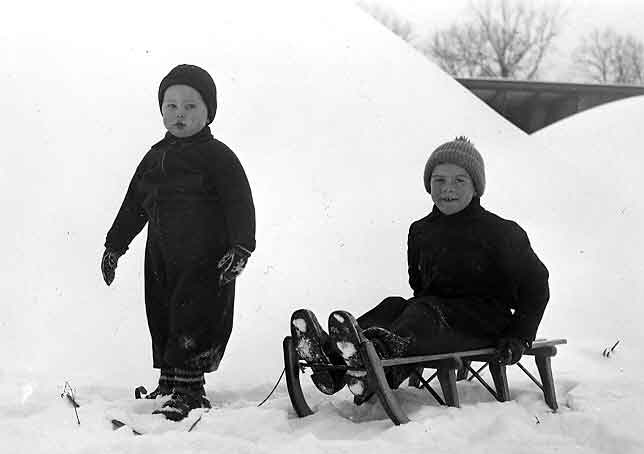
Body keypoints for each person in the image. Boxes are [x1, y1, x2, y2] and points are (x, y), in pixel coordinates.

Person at [290, 136, 549, 404]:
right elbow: (419, 285)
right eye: (439, 180)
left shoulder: (501, 232)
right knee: (394, 305)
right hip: (436, 320)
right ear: (429, 185)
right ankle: (331, 361)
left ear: (476, 186)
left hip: (486, 324)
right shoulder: (421, 231)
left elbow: (536, 284)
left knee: (423, 311)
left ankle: (375, 362)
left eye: (460, 180)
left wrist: (519, 337)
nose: (448, 188)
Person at [102, 64, 256, 421]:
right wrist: (114, 247)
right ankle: (170, 381)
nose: (179, 114)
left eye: (190, 106)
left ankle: (190, 388)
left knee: (195, 314)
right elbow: (133, 206)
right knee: (162, 312)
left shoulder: (218, 156)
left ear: (208, 111)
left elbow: (239, 202)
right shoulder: (155, 157)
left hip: (205, 256)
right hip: (161, 255)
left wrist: (241, 247)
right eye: (170, 106)